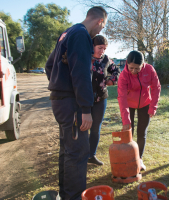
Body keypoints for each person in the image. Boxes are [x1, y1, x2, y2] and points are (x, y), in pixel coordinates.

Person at [45, 6, 108, 200]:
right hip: (72, 105)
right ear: (99, 21)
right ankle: (73, 197)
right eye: (102, 27)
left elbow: (49, 66)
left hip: (60, 101)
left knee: (67, 150)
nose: (100, 32)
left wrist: (59, 84)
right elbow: (81, 74)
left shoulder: (67, 33)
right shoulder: (81, 35)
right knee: (78, 152)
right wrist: (85, 108)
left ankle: (66, 195)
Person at [117, 51, 161, 171]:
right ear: (127, 63)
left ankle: (139, 159)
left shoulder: (149, 70)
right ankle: (128, 158)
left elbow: (156, 88)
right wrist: (126, 120)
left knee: (142, 132)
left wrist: (153, 107)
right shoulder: (123, 76)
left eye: (137, 68)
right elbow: (122, 98)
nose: (134, 71)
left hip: (145, 103)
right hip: (129, 104)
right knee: (128, 131)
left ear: (143, 65)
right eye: (131, 68)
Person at [88, 35, 120, 166]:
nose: (102, 51)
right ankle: (80, 155)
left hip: (101, 98)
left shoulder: (107, 60)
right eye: (99, 48)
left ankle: (91, 155)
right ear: (93, 46)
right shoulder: (84, 58)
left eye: (104, 48)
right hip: (84, 98)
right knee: (82, 127)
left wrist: (111, 80)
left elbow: (117, 72)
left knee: (96, 127)